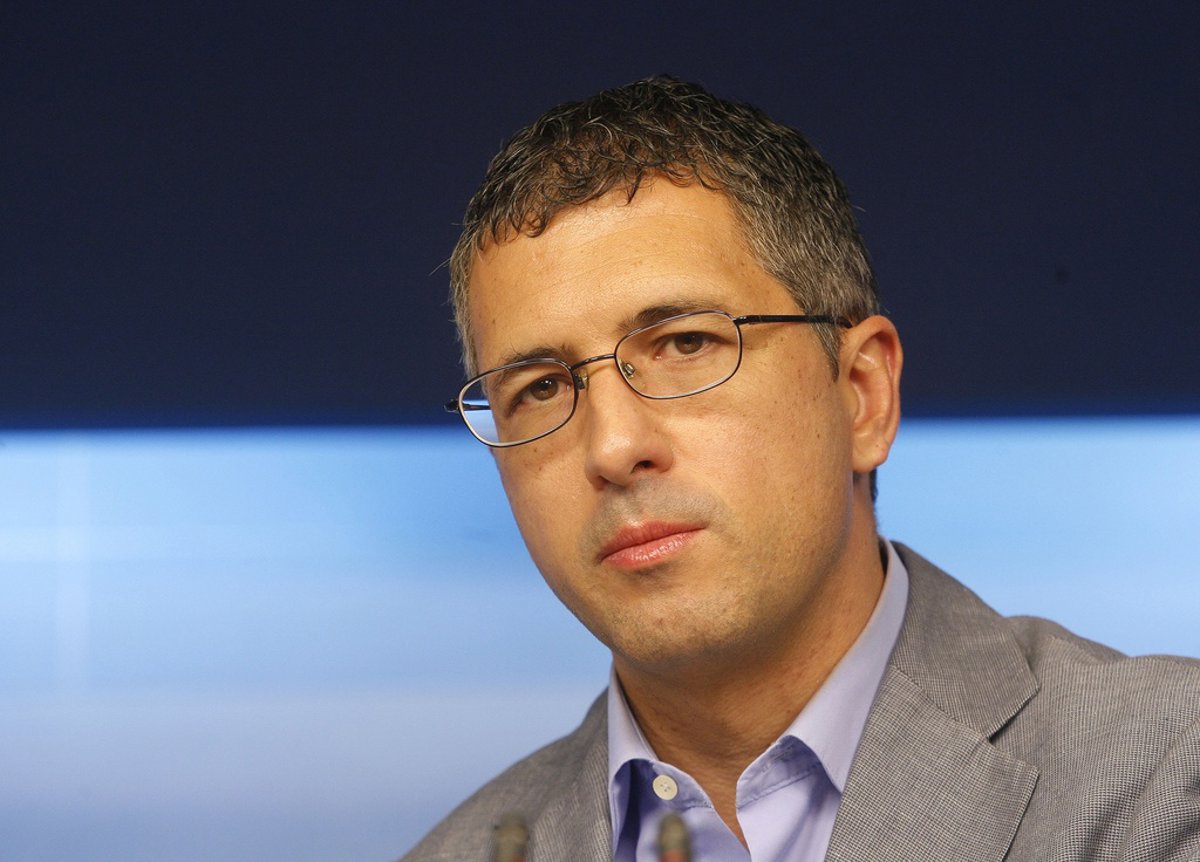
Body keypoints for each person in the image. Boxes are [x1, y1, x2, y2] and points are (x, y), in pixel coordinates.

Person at [403, 77, 1200, 861]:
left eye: (686, 344)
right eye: (540, 388)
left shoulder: (1163, 775)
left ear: (861, 396)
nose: (611, 447)